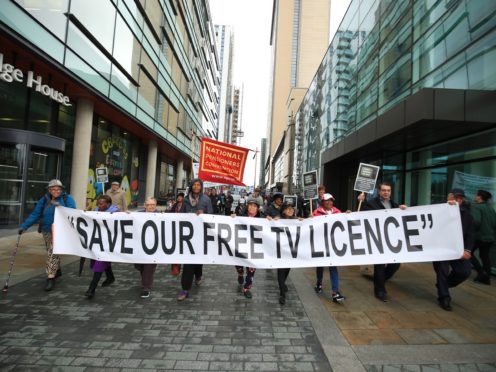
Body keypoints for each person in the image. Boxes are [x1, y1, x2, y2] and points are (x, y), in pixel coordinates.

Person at [19, 179, 76, 291]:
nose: (56, 191)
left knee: (52, 252)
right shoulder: (44, 200)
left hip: (61, 231)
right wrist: (24, 226)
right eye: (53, 189)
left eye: (58, 189)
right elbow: (35, 214)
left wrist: (59, 205)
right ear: (49, 190)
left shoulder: (67, 198)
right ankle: (57, 270)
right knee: (51, 250)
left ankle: (50, 277)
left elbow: (72, 212)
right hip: (47, 230)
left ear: (61, 189)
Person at [358, 182, 407, 302]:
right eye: (384, 190)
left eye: (388, 190)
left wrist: (403, 210)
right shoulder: (371, 203)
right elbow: (361, 215)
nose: (386, 192)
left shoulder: (395, 205)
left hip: (391, 241)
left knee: (395, 264)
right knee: (379, 266)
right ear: (379, 191)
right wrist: (360, 201)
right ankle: (380, 291)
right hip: (378, 239)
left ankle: (379, 280)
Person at [433, 189, 474, 311]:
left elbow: (471, 234)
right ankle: (444, 297)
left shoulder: (467, 215)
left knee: (465, 271)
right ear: (448, 198)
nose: (458, 200)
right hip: (442, 249)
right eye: (455, 198)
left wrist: (468, 250)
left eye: (460, 198)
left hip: (459, 250)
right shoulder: (438, 211)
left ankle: (443, 285)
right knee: (442, 271)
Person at [177, 178, 213, 301]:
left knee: (198, 260)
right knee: (188, 262)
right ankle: (185, 289)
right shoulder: (186, 200)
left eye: (199, 185)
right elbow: (181, 216)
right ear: (191, 186)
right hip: (188, 236)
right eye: (194, 185)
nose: (196, 187)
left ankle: (198, 275)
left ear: (201, 187)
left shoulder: (206, 199)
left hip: (201, 235)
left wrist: (203, 214)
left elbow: (211, 216)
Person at [312, 193, 346, 303]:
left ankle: (335, 292)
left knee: (333, 266)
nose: (329, 202)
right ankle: (319, 283)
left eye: (331, 200)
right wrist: (310, 219)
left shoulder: (338, 212)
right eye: (327, 200)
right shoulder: (316, 213)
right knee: (320, 265)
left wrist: (348, 215)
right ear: (322, 202)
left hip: (333, 244)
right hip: (320, 244)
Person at [85, 195, 118, 299]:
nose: (98, 205)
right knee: (96, 262)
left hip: (109, 243)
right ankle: (110, 277)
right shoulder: (96, 211)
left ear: (108, 204)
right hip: (97, 242)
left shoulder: (116, 213)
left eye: (101, 204)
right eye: (98, 203)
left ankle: (91, 289)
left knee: (99, 265)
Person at [234, 197, 264, 299]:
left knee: (251, 271)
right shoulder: (240, 217)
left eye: (255, 206)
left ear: (258, 208)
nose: (252, 207)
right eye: (250, 205)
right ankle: (240, 273)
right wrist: (232, 218)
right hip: (240, 247)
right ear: (247, 206)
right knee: (238, 265)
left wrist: (272, 220)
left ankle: (247, 288)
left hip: (253, 249)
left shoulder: (262, 219)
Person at [276, 200, 303, 304]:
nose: (290, 210)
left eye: (292, 208)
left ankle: (283, 284)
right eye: (288, 208)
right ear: (283, 211)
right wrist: (272, 220)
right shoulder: (278, 220)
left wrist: (304, 220)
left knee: (287, 270)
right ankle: (282, 293)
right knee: (281, 271)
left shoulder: (296, 220)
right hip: (281, 251)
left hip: (291, 251)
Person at [134, 197, 159, 298]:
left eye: (153, 205)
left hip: (154, 246)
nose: (151, 207)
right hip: (139, 246)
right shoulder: (138, 214)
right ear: (145, 206)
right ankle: (146, 281)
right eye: (149, 205)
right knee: (140, 266)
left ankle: (146, 288)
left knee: (149, 267)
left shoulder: (161, 215)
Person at [470, 189, 496, 285]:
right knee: (485, 256)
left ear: (479, 197)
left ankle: (481, 272)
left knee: (468, 253)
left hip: (479, 236)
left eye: (476, 195)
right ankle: (487, 277)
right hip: (490, 237)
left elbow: (476, 222)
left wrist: (470, 231)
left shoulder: (476, 207)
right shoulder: (490, 208)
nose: (475, 197)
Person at [169, 192, 186, 277]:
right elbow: (170, 212)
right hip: (174, 227)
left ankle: (178, 265)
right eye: (178, 197)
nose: (179, 198)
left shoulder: (185, 205)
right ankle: (175, 266)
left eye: (180, 197)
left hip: (182, 227)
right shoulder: (175, 205)